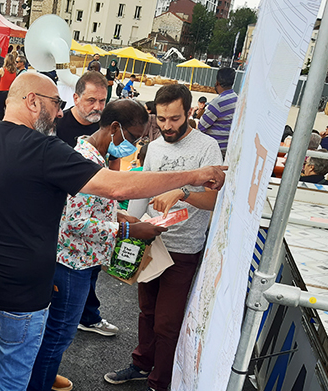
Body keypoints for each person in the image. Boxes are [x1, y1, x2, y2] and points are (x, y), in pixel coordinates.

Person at [0, 73, 226, 391]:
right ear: (33, 101)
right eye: (56, 103)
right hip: (24, 293)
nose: (59, 112)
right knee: (13, 376)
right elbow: (119, 185)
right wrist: (195, 175)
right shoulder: (45, 151)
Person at [29, 98, 168, 391]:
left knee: (56, 332)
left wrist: (117, 214)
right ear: (114, 127)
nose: (132, 145)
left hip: (80, 259)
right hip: (71, 263)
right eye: (132, 137)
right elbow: (74, 223)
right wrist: (128, 228)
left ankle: (44, 374)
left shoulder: (93, 156)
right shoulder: (86, 162)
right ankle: (39, 381)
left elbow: (86, 209)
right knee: (59, 334)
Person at [104, 84, 223, 391]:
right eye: (162, 119)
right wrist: (131, 226)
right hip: (152, 243)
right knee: (146, 312)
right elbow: (142, 189)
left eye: (174, 119)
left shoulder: (207, 147)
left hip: (184, 249)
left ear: (188, 113)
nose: (167, 126)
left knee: (168, 323)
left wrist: (183, 192)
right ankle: (142, 364)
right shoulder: (155, 147)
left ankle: (161, 381)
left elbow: (215, 200)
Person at [55, 71, 107, 148]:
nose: (97, 107)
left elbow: (113, 159)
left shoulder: (107, 126)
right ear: (76, 99)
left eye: (102, 101)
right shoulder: (57, 126)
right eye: (91, 100)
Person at [198, 67, 238, 156]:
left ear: (217, 82)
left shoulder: (217, 103)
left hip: (215, 151)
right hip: (228, 149)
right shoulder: (237, 100)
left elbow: (201, 127)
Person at [0, 52, 17, 120]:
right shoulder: (14, 71)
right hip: (10, 92)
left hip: (2, 91)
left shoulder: (2, 69)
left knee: (1, 109)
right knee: (9, 109)